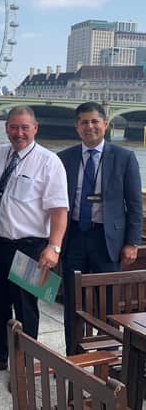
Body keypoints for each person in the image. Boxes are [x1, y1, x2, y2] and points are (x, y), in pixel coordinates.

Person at [0, 106, 68, 377]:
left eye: (24, 127)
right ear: (6, 128)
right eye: (13, 127)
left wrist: (54, 247)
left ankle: (23, 365)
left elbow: (59, 210)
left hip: (30, 246)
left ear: (35, 128)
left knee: (26, 307)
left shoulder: (49, 162)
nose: (18, 133)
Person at [58, 101, 142, 355]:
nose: (90, 126)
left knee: (107, 301)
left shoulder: (124, 157)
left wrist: (132, 242)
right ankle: (74, 354)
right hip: (74, 236)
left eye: (95, 121)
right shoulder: (65, 158)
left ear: (106, 124)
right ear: (77, 127)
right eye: (84, 122)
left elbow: (135, 203)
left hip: (108, 239)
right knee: (73, 300)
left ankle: (107, 355)